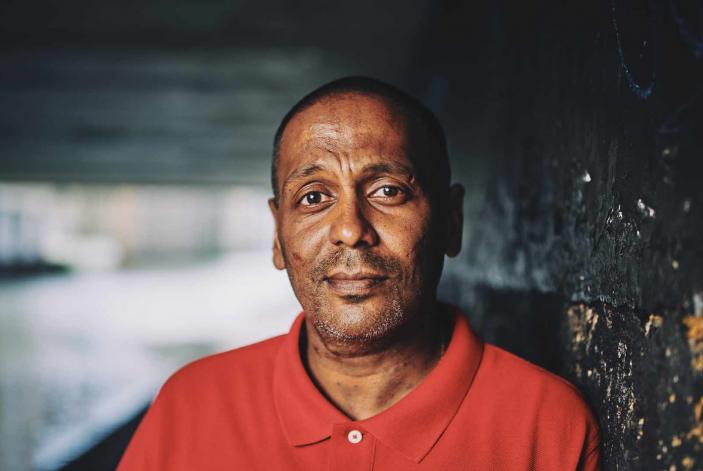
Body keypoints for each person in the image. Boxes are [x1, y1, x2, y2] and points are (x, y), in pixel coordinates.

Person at [117, 76, 601, 470]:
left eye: (388, 191)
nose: (350, 230)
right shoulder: (191, 408)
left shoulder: (548, 425)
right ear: (276, 236)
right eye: (313, 197)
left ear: (451, 222)